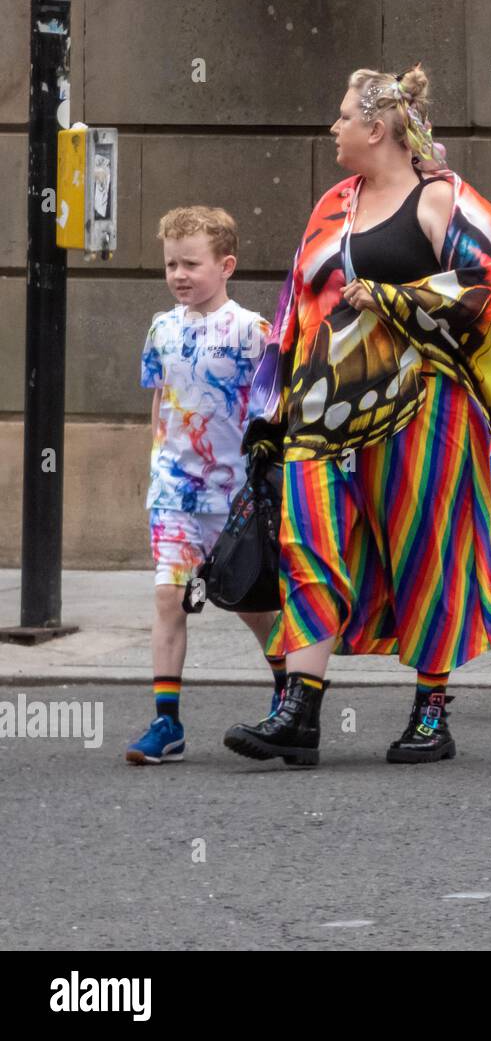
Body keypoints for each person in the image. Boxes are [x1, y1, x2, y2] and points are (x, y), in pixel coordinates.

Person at [222, 64, 491, 767]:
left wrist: (397, 300)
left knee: (429, 547)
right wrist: (268, 410)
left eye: (342, 116)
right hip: (319, 412)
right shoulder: (333, 202)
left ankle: (431, 712)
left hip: (425, 410)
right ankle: (299, 708)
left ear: (377, 127)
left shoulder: (442, 200)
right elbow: (294, 305)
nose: (333, 128)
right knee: (307, 544)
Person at [126, 206, 279, 764]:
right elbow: (159, 398)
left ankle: (288, 693)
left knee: (252, 605)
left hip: (236, 496)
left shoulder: (251, 330)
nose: (179, 274)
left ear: (226, 265)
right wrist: (158, 461)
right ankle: (166, 723)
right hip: (175, 493)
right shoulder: (161, 328)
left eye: (192, 263)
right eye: (171, 264)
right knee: (169, 597)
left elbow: (274, 406)